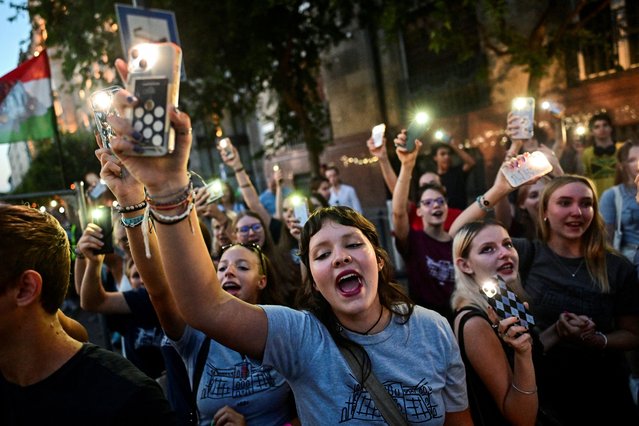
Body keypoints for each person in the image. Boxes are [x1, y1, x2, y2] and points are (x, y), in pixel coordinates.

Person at [105, 72, 472, 424]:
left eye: (352, 244)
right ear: (310, 277)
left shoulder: (434, 330)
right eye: (322, 254)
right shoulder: (299, 337)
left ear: (378, 258)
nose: (340, 256)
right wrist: (168, 189)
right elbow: (204, 307)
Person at [94, 147, 297, 425]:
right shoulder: (195, 334)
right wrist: (131, 200)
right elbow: (160, 290)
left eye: (242, 266)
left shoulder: (286, 329)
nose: (229, 273)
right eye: (223, 267)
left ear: (263, 280)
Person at [449, 170, 639, 425]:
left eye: (586, 204)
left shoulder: (617, 267)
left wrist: (597, 339)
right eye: (564, 203)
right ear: (544, 212)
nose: (577, 212)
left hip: (606, 389)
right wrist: (501, 189)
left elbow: (633, 334)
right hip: (550, 392)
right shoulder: (527, 253)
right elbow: (464, 236)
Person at [0, 203, 174, 424]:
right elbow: (87, 302)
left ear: (26, 288)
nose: (124, 246)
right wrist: (87, 259)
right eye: (121, 241)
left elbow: (94, 302)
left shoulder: (130, 401)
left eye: (127, 241)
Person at [451, 220, 539, 425]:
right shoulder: (474, 323)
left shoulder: (507, 302)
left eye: (507, 244)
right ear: (465, 265)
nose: (504, 253)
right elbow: (521, 418)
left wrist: (558, 331)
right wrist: (523, 354)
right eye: (488, 249)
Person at [76, 224, 166, 379]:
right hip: (137, 359)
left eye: (133, 234)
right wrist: (81, 254)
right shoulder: (118, 263)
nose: (129, 242)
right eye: (123, 239)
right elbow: (86, 296)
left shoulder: (164, 263)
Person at [391, 135, 455, 320]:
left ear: (446, 206)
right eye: (427, 202)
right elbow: (399, 212)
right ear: (418, 211)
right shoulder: (414, 241)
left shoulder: (457, 242)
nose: (435, 206)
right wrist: (407, 165)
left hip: (459, 320)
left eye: (439, 201)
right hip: (426, 322)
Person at [576, 112, 624, 196]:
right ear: (591, 131)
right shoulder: (586, 153)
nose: (602, 129)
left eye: (605, 125)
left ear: (610, 128)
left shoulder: (622, 148)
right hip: (597, 197)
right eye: (597, 127)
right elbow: (582, 177)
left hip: (622, 196)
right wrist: (579, 157)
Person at [430, 137, 476, 210]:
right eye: (443, 154)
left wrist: (454, 146)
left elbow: (471, 162)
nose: (447, 157)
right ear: (435, 157)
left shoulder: (457, 172)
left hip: (460, 215)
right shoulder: (432, 178)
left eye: (449, 154)